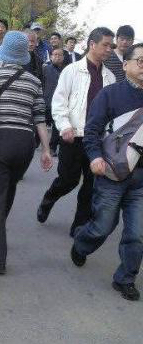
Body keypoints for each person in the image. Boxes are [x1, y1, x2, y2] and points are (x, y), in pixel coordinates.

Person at [0, 31, 53, 275]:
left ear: (3, 52)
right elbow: (39, 118)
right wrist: (46, 150)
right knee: (9, 189)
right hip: (25, 144)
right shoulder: (34, 82)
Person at [71, 43, 143, 302]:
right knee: (102, 227)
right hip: (110, 174)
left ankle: (125, 278)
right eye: (141, 61)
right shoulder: (110, 95)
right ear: (126, 65)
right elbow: (92, 130)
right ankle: (81, 243)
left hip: (141, 181)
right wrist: (95, 157)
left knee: (137, 234)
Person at [37, 27, 116, 237]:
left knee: (91, 186)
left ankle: (79, 227)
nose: (109, 49)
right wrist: (64, 126)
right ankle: (49, 198)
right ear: (92, 44)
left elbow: (111, 112)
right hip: (72, 136)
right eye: (105, 45)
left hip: (97, 140)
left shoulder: (109, 77)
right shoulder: (72, 71)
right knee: (68, 180)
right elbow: (59, 101)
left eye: (111, 46)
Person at [43, 47, 65, 156]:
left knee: (57, 127)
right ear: (51, 57)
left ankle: (52, 147)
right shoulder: (45, 69)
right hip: (46, 102)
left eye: (59, 55)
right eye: (55, 55)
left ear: (63, 57)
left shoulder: (67, 71)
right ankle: (34, 143)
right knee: (40, 124)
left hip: (60, 103)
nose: (57, 57)